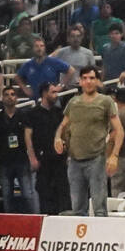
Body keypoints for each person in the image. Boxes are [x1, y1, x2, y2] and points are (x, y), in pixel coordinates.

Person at [54, 67, 123, 216]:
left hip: (96, 158)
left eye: (92, 78)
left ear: (97, 81)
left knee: (99, 207)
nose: (88, 81)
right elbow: (63, 125)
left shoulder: (105, 101)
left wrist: (114, 155)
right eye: (85, 78)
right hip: (74, 159)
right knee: (77, 208)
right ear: (79, 81)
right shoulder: (73, 102)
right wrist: (57, 138)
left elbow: (119, 130)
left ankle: (101, 237)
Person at [0, 83, 39, 213]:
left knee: (28, 194)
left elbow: (28, 139)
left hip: (22, 161)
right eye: (6, 95)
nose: (10, 97)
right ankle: (10, 227)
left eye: (12, 94)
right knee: (7, 196)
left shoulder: (24, 115)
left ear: (16, 98)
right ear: (2, 99)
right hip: (4, 162)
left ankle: (33, 222)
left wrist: (32, 158)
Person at [29, 80, 70, 213]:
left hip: (59, 159)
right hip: (43, 160)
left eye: (57, 92)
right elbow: (27, 137)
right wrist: (32, 158)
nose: (56, 95)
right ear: (44, 93)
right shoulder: (33, 113)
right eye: (53, 92)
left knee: (62, 192)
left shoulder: (59, 113)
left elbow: (66, 133)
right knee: (44, 193)